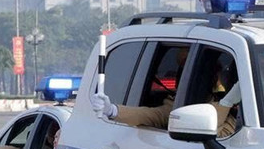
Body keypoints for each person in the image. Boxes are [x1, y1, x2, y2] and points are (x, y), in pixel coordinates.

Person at [95, 57, 244, 137]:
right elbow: (149, 115)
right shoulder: (183, 105)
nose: (218, 78)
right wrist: (112, 110)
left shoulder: (250, 105)